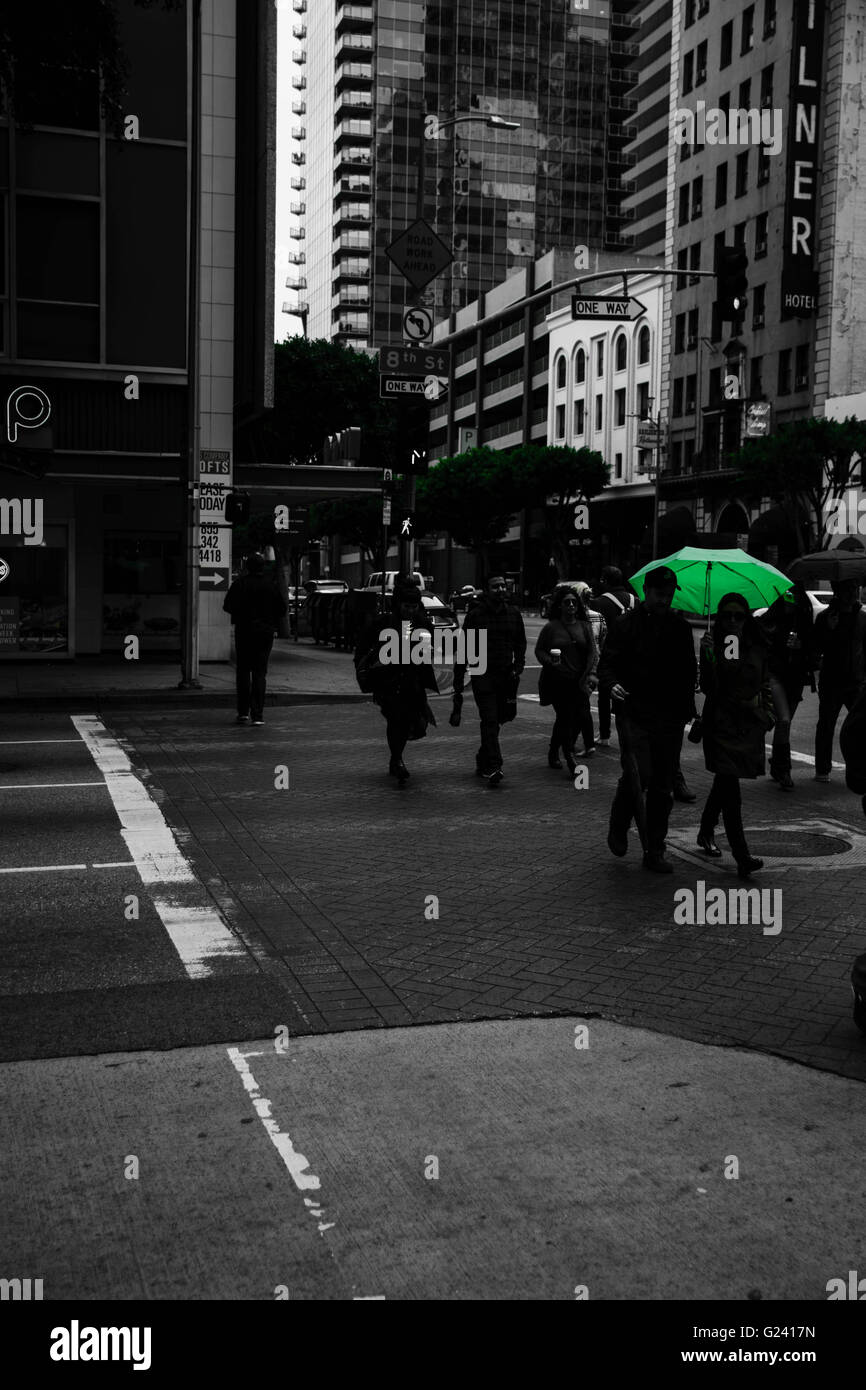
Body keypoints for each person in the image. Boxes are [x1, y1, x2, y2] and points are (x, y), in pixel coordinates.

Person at [598, 565, 697, 874]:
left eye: (669, 595)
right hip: (634, 713)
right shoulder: (626, 625)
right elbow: (607, 664)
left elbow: (686, 672)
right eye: (659, 594)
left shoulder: (679, 628)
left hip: (668, 717)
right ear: (646, 592)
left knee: (662, 786)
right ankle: (620, 821)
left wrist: (688, 711)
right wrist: (611, 683)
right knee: (638, 773)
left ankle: (655, 848)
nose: (664, 600)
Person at [696, 592, 774, 878]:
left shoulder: (756, 644)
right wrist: (709, 657)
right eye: (726, 615)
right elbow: (710, 687)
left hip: (748, 726)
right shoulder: (713, 644)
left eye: (738, 616)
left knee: (724, 781)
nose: (732, 621)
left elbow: (764, 680)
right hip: (721, 726)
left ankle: (705, 831)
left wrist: (768, 714)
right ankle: (742, 856)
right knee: (731, 791)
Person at [353, 574, 437, 783]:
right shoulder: (382, 624)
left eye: (414, 606)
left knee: (416, 722)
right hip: (389, 681)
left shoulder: (423, 624)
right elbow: (363, 649)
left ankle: (396, 757)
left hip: (413, 681)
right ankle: (397, 759)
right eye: (406, 606)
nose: (410, 610)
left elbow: (428, 653)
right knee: (396, 720)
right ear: (398, 605)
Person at [452, 574, 526, 786]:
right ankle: (494, 765)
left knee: (501, 719)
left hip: (506, 676)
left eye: (503, 586)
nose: (501, 590)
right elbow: (464, 650)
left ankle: (483, 757)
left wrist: (518, 666)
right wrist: (458, 684)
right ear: (487, 590)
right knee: (490, 719)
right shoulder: (476, 616)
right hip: (482, 673)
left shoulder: (513, 614)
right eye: (495, 587)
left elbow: (520, 643)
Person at [755, 584, 817, 790]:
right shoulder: (772, 620)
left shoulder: (804, 623)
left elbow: (814, 651)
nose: (791, 601)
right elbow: (760, 640)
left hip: (795, 678)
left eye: (794, 598)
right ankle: (784, 769)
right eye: (787, 597)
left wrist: (802, 647)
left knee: (784, 723)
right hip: (775, 675)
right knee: (784, 719)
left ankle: (777, 766)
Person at [535, 588, 598, 775]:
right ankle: (569, 756)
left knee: (577, 717)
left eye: (574, 602)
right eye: (567, 602)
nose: (571, 605)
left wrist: (592, 674)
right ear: (560, 605)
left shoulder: (584, 626)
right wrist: (550, 662)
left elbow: (593, 653)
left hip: (579, 681)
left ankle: (554, 750)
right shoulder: (551, 628)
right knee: (565, 717)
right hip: (557, 681)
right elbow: (539, 650)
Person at [223, 553, 287, 726]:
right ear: (263, 567)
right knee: (260, 672)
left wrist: (242, 614)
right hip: (264, 633)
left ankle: (243, 712)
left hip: (244, 632)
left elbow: (227, 606)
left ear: (247, 566)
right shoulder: (270, 586)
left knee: (243, 671)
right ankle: (257, 714)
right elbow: (281, 610)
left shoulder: (239, 584)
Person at [812, 579, 866, 783]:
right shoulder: (825, 617)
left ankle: (859, 768)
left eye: (855, 588)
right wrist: (828, 629)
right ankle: (822, 769)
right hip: (832, 681)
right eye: (848, 589)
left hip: (856, 681)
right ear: (837, 592)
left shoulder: (861, 618)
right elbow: (816, 648)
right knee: (826, 725)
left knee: (860, 726)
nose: (852, 593)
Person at [591, 567, 636, 748]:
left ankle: (604, 735)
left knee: (604, 695)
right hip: (632, 657)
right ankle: (630, 732)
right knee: (629, 694)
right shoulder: (636, 600)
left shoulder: (599, 603)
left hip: (609, 656)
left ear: (605, 581)